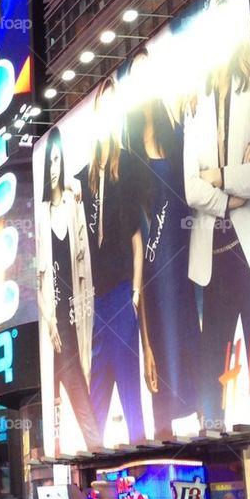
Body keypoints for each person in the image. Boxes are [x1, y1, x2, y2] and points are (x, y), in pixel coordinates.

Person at [183, 0, 250, 429]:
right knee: (212, 372)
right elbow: (189, 188)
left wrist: (216, 175)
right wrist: (231, 192)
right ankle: (212, 430)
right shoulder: (196, 102)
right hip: (210, 257)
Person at [123, 46, 201, 435]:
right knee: (166, 394)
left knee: (203, 381)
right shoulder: (130, 156)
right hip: (156, 282)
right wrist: (147, 343)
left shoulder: (179, 130)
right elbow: (135, 242)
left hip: (194, 269)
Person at [78, 75, 150, 447]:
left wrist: (135, 292)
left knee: (128, 384)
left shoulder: (128, 166)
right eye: (101, 106)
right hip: (95, 298)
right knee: (97, 390)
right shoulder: (87, 176)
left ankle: (140, 448)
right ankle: (93, 458)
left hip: (121, 290)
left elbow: (137, 239)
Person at [36, 127, 100, 453]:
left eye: (57, 159)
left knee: (80, 398)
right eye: (49, 161)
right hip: (51, 335)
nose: (52, 168)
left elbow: (86, 262)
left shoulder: (74, 204)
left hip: (73, 326)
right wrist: (49, 322)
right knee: (53, 411)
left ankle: (94, 447)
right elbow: (37, 282)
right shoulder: (40, 216)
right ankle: (79, 450)